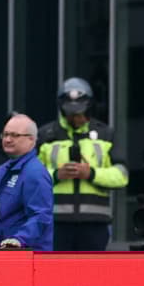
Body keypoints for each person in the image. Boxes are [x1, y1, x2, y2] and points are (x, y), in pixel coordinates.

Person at [38, 77, 129, 251]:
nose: (77, 117)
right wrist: (57, 174)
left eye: (81, 112)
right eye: (72, 113)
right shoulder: (46, 135)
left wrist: (91, 174)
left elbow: (122, 176)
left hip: (95, 222)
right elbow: (32, 178)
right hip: (56, 222)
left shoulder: (105, 134)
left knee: (92, 275)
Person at [0, 113, 53, 251]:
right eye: (5, 135)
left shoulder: (34, 172)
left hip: (26, 255)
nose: (8, 139)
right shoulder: (4, 169)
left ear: (31, 139)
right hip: (3, 252)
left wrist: (20, 239)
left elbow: (41, 215)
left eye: (14, 135)